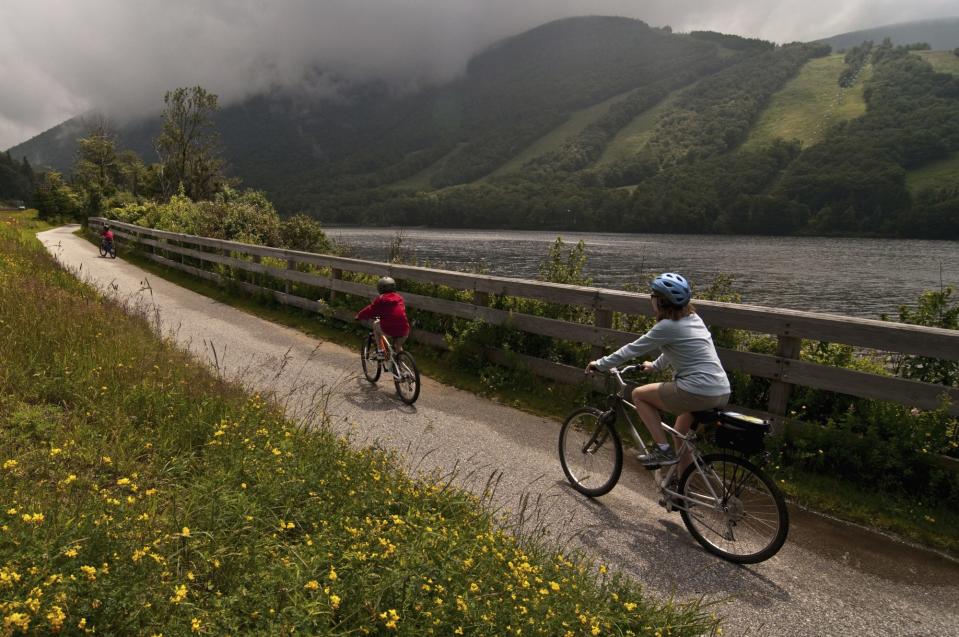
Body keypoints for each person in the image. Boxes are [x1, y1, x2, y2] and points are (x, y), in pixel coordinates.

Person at [586, 272, 730, 467]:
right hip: (721, 390)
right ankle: (683, 491)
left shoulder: (666, 326)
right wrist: (655, 366)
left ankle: (663, 451)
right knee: (679, 433)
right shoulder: (694, 318)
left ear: (660, 302)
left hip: (697, 390)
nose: (651, 299)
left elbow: (631, 349)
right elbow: (676, 349)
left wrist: (600, 364)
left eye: (653, 295)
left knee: (639, 395)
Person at [355, 277, 410, 353]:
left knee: (375, 324)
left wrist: (359, 316)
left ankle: (380, 351)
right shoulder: (399, 298)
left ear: (380, 288)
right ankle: (399, 362)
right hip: (404, 330)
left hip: (389, 329)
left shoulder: (381, 299)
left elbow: (370, 309)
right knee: (398, 346)